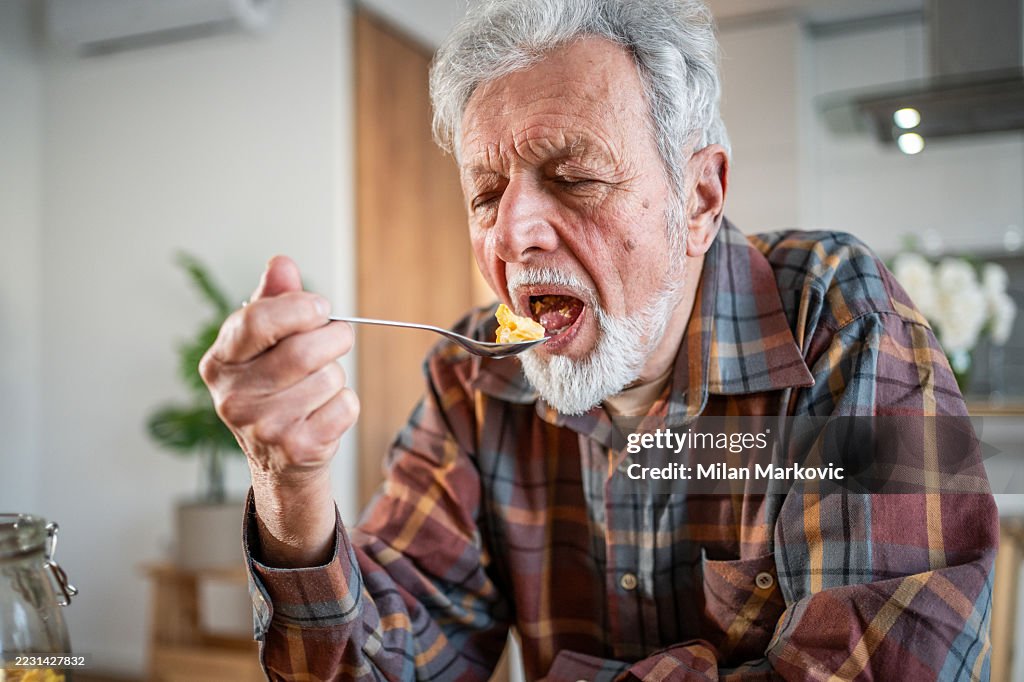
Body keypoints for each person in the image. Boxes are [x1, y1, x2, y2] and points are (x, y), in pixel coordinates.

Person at [199, 0, 998, 679]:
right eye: (486, 192)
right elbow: (380, 664)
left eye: (574, 177)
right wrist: (291, 487)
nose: (511, 233)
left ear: (700, 198)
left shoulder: (837, 320)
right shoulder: (471, 379)